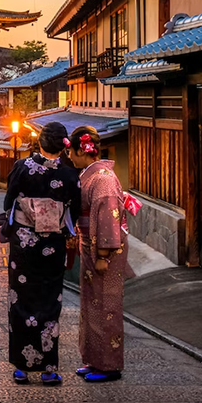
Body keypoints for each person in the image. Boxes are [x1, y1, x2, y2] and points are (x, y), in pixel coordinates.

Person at [3, 121, 80, 386]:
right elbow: (75, 211)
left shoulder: (22, 167)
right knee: (49, 301)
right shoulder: (70, 175)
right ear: (63, 146)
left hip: (24, 244)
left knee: (21, 299)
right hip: (53, 246)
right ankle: (49, 369)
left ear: (40, 142)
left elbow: (8, 201)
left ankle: (22, 368)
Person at [65, 125, 128, 383]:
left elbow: (108, 217)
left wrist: (103, 254)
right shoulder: (91, 175)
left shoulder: (102, 179)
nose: (69, 157)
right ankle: (93, 359)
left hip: (104, 251)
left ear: (83, 149)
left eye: (72, 151)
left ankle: (109, 365)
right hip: (90, 246)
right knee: (91, 303)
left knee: (107, 305)